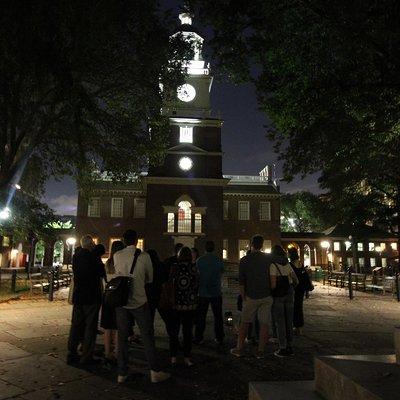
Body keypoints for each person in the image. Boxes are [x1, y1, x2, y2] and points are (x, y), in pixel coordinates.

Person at [114, 229, 170, 384]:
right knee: (147, 336)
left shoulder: (117, 255)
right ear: (136, 240)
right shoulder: (144, 256)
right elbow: (150, 278)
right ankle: (154, 371)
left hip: (122, 301)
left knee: (123, 338)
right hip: (139, 300)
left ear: (124, 240)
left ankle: (121, 373)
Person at [231, 235, 273, 358]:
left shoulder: (245, 260)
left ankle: (239, 348)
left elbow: (242, 281)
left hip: (251, 296)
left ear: (251, 244)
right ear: (262, 245)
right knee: (264, 324)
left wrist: (243, 297)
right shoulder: (268, 259)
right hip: (266, 295)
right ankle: (260, 351)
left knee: (245, 322)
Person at [67, 235, 104, 365]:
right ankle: (87, 355)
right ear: (90, 244)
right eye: (93, 242)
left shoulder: (76, 256)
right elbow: (101, 272)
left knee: (76, 324)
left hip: (79, 296)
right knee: (90, 327)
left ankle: (72, 350)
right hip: (92, 296)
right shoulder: (93, 257)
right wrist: (96, 253)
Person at [167, 246, 199, 366]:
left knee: (174, 331)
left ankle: (173, 356)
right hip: (190, 304)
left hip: (176, 303)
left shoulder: (175, 267)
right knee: (187, 331)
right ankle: (187, 357)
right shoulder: (194, 268)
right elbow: (197, 284)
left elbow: (170, 283)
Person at [270, 245, 299, 357]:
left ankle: (282, 347)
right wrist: (292, 288)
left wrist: (271, 292)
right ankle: (290, 345)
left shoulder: (273, 265)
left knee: (280, 321)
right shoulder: (287, 264)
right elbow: (296, 279)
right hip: (289, 292)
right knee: (289, 320)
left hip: (278, 295)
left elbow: (273, 284)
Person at [194, 241, 225, 345]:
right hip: (216, 292)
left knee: (201, 316)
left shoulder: (200, 261)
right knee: (218, 316)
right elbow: (222, 271)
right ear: (214, 248)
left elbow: (197, 275)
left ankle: (199, 337)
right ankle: (219, 337)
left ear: (205, 248)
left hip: (202, 292)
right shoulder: (218, 260)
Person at [101, 240, 124, 364]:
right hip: (119, 296)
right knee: (118, 326)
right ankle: (117, 351)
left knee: (107, 326)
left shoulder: (108, 263)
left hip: (107, 296)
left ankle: (107, 352)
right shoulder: (122, 263)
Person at [289, 248, 313, 336]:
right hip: (301, 289)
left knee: (294, 308)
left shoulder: (290, 265)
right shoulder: (301, 264)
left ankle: (295, 326)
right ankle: (299, 328)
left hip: (295, 288)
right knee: (299, 307)